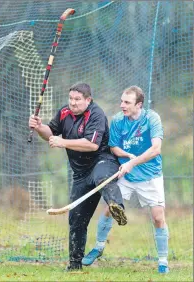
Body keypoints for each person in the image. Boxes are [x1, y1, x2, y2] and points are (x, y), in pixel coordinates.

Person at [28, 82, 131, 271]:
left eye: (77, 99)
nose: (73, 103)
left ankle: (117, 207)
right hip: (80, 173)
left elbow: (91, 145)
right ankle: (75, 265)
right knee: (76, 219)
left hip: (102, 161)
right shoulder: (64, 112)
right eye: (71, 99)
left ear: (88, 100)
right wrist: (39, 127)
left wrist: (62, 142)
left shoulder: (96, 114)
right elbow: (50, 134)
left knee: (102, 178)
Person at [82, 86, 169, 274]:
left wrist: (134, 162)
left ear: (139, 105)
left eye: (127, 102)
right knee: (110, 208)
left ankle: (163, 261)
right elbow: (113, 146)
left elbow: (156, 149)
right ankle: (98, 246)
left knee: (158, 218)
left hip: (150, 175)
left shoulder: (152, 119)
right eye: (121, 101)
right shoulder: (118, 120)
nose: (122, 105)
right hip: (126, 174)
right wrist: (127, 157)